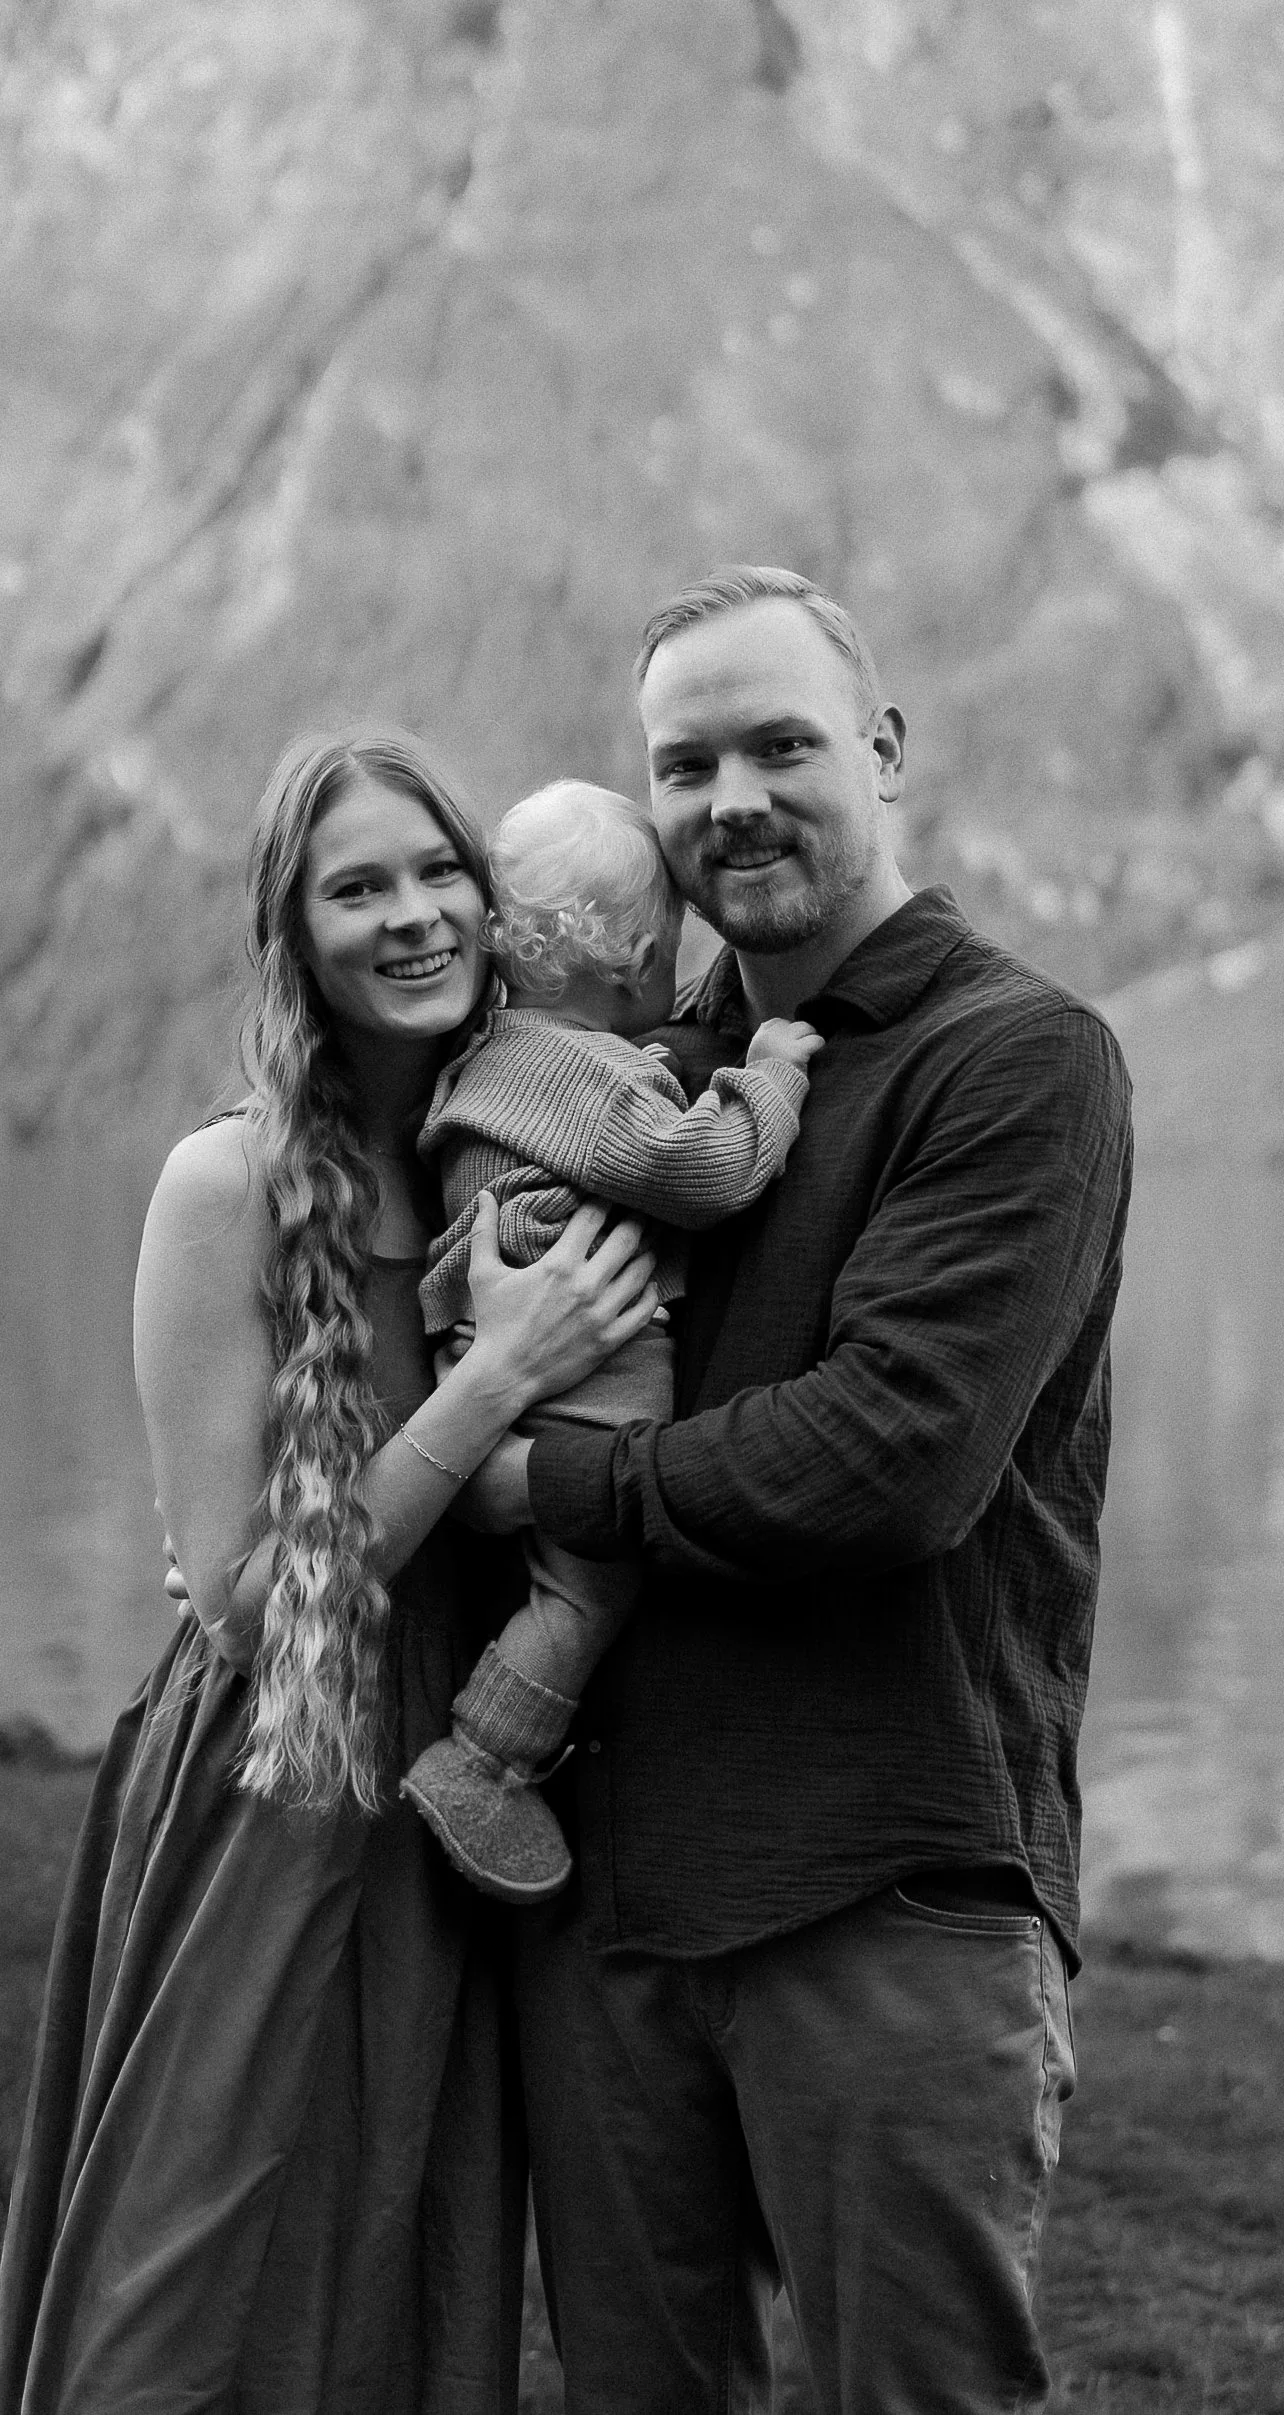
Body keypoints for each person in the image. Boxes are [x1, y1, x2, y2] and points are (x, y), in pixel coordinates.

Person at [487, 567, 1135, 2415]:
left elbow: (887, 1461)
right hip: (611, 1904)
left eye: (780, 742)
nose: (730, 797)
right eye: (683, 762)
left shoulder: (1016, 1059)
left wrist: (538, 1470)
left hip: (891, 1890)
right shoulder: (638, 1081)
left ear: (883, 750)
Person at [0, 727, 661, 2415]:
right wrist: (497, 1377)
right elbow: (233, 1593)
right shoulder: (224, 1183)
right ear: (291, 933)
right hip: (271, 1777)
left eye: (445, 874)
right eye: (360, 885)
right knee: (198, 2272)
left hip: (449, 1772)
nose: (417, 913)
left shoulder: (506, 1143)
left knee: (397, 2261)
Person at [399, 778, 822, 1903]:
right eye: (668, 946)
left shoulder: (502, 1053)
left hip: (511, 1356)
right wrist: (770, 1073)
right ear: (633, 953)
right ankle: (484, 1760)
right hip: (586, 1373)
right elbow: (702, 1169)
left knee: (551, 1575)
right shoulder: (583, 1081)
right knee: (589, 1592)